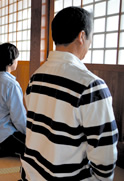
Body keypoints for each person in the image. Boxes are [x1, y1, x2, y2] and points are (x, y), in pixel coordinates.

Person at [21, 7, 119, 181]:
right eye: (90, 38)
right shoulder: (91, 86)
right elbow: (104, 155)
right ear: (82, 37)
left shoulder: (35, 78)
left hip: (31, 174)